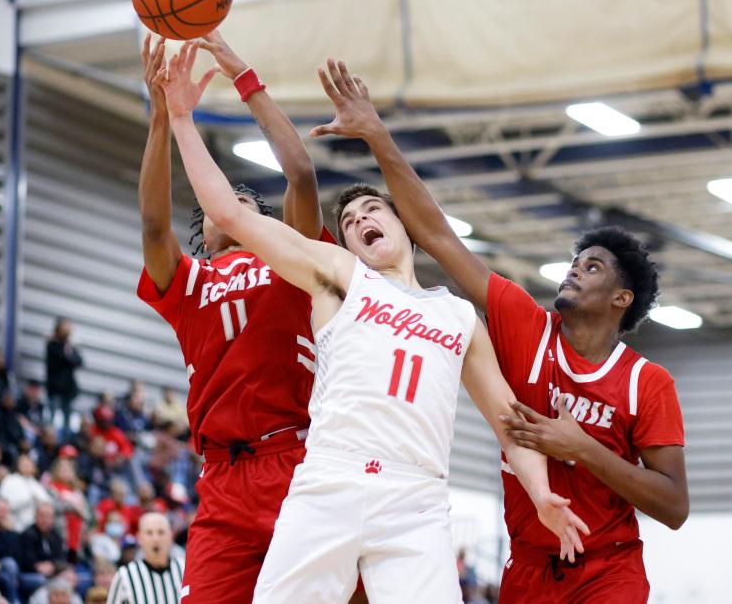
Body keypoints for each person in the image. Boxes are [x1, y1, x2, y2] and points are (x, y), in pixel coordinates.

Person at [161, 42, 587, 604]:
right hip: (330, 480)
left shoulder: (458, 315)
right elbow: (228, 213)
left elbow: (509, 418)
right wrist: (182, 118)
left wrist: (539, 491)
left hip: (415, 497)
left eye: (373, 211)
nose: (361, 220)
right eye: (351, 220)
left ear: (403, 226)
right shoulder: (340, 276)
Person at [313, 59, 689, 602]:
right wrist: (376, 133)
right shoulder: (524, 323)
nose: (574, 269)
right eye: (575, 260)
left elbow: (674, 506)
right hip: (529, 565)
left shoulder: (646, 383)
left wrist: (583, 448)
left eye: (592, 267)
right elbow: (438, 235)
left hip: (608, 570)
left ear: (621, 299)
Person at [135, 31, 333, 604]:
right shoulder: (190, 281)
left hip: (294, 461)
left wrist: (245, 76)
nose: (236, 203)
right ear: (207, 223)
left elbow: (300, 174)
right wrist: (159, 119)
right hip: (222, 478)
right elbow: (152, 227)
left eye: (248, 202)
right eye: (224, 201)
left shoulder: (291, 260)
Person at [106, 512, 184, 604]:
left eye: (161, 532)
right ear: (139, 538)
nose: (156, 539)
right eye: (149, 533)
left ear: (171, 536)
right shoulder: (125, 575)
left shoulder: (185, 570)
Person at [19, 503, 66, 597]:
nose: (46, 520)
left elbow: (61, 557)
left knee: (71, 578)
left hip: (53, 572)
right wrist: (37, 566)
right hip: (30, 574)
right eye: (42, 516)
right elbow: (26, 561)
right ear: (36, 517)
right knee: (42, 580)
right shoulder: (27, 534)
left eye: (49, 517)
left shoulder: (55, 535)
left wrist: (53, 566)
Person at [45, 318, 82, 435]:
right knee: (52, 420)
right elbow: (64, 358)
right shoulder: (53, 345)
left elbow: (79, 361)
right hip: (55, 389)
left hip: (68, 390)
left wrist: (69, 350)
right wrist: (68, 353)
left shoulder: (70, 346)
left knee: (67, 421)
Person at [0, 454, 52, 532]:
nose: (26, 466)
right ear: (18, 465)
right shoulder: (10, 480)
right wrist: (28, 500)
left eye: (29, 464)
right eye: (23, 464)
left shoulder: (35, 484)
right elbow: (3, 503)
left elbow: (47, 503)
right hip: (13, 525)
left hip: (34, 528)